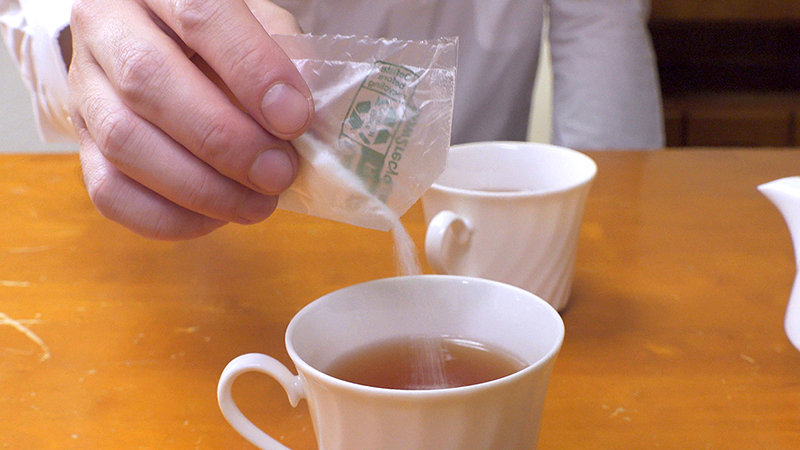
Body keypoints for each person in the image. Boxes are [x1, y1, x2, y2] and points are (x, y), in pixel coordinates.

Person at [1, 0, 664, 240]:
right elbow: (53, 18)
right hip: (217, 238)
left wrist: (598, 222)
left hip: (471, 226)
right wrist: (90, 42)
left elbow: (598, 26)